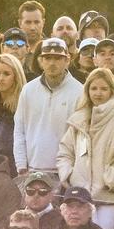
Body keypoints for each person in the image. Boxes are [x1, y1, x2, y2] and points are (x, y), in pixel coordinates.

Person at [55, 67, 114, 229]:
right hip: (82, 197)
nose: (98, 93)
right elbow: (65, 152)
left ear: (112, 91)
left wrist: (108, 180)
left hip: (112, 198)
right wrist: (69, 175)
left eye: (104, 88)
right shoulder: (78, 121)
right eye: (94, 88)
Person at [12, 36, 77, 175]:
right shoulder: (28, 90)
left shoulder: (80, 92)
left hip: (66, 174)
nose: (52, 63)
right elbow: (19, 130)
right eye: (47, 58)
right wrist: (21, 166)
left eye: (58, 58)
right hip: (31, 172)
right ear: (40, 61)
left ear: (67, 60)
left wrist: (72, 173)